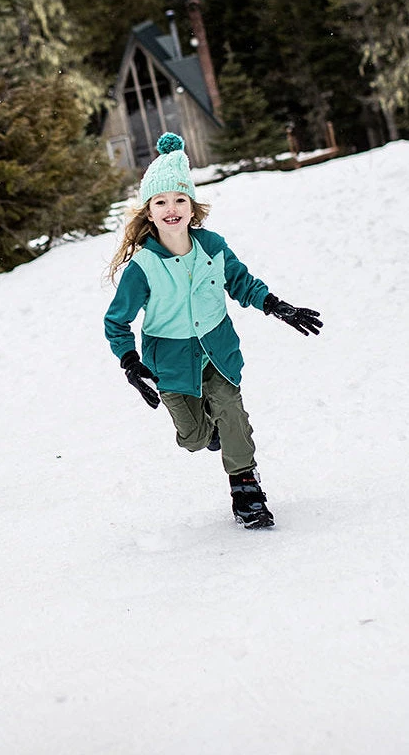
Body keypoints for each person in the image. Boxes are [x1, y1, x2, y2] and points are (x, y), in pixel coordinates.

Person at [103, 133, 323, 528]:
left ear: (192, 207)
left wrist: (276, 306)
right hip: (169, 363)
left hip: (216, 351)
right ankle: (212, 434)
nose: (172, 209)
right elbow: (116, 320)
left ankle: (246, 488)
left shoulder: (212, 246)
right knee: (193, 438)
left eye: (179, 200)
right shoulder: (143, 266)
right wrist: (130, 362)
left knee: (231, 410)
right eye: (161, 202)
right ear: (149, 212)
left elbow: (240, 282)